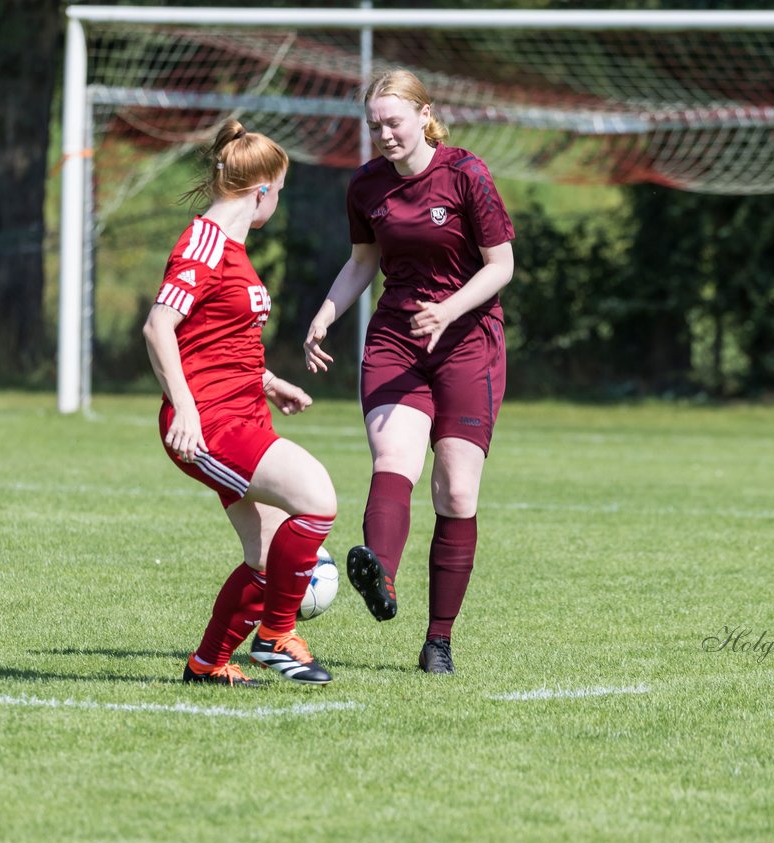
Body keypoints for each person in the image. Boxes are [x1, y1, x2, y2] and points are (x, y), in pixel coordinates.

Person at [304, 69, 515, 675]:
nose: (384, 135)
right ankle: (382, 578)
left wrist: (448, 309)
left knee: (455, 489)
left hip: (468, 339)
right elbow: (361, 262)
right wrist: (326, 312)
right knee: (393, 460)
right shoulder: (366, 186)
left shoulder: (466, 174)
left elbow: (500, 266)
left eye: (393, 121)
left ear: (426, 114)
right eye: (375, 126)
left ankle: (439, 641)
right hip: (397, 338)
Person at [143, 119, 337, 686]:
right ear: (262, 190)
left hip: (242, 409)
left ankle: (207, 665)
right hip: (211, 423)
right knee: (317, 497)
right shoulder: (205, 240)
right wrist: (186, 410)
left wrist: (269, 380)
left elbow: (217, 338)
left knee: (265, 553)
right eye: (279, 193)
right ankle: (275, 637)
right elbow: (159, 328)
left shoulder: (231, 247)